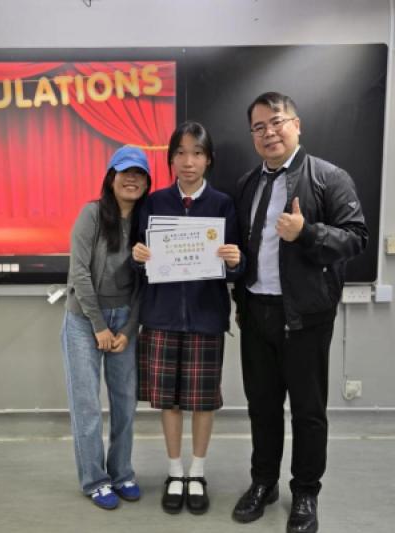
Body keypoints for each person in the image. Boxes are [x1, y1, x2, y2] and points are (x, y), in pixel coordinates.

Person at [231, 92, 369, 533]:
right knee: (262, 407)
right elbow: (245, 246)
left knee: (308, 411)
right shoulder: (247, 184)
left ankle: (306, 491)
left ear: (297, 125)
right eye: (258, 127)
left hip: (305, 317)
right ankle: (263, 482)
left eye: (277, 122)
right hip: (256, 312)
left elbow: (356, 237)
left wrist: (307, 232)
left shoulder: (329, 177)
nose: (268, 133)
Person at [132, 121, 243, 515]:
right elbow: (139, 260)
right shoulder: (154, 203)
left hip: (205, 317)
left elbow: (236, 267)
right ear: (171, 159)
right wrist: (138, 256)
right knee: (170, 402)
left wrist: (236, 260)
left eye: (197, 153)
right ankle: (175, 472)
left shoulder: (223, 205)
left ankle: (197, 472)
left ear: (208, 159)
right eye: (180, 153)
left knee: (202, 402)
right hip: (161, 317)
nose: (188, 161)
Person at [61, 145, 152, 510]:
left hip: (124, 320)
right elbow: (79, 273)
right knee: (86, 404)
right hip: (84, 320)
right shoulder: (92, 214)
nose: (132, 179)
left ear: (147, 182)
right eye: (125, 172)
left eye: (139, 174)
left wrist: (128, 330)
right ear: (111, 177)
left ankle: (122, 473)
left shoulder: (147, 223)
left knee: (125, 403)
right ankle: (95, 480)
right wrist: (99, 326)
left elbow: (146, 283)